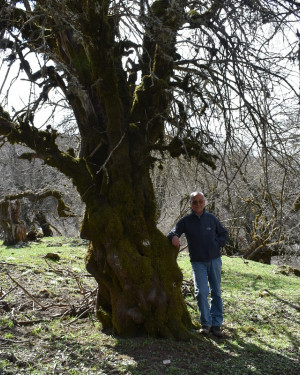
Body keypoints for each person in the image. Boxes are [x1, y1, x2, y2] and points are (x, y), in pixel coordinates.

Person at [167, 191, 228, 337]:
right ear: (190, 204)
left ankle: (216, 324)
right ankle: (206, 323)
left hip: (214, 260)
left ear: (204, 202)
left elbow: (224, 234)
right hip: (197, 262)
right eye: (195, 202)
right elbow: (173, 231)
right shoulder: (186, 221)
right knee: (201, 292)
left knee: (216, 292)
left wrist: (216, 243)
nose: (198, 204)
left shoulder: (211, 218)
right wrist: (174, 237)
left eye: (201, 201)